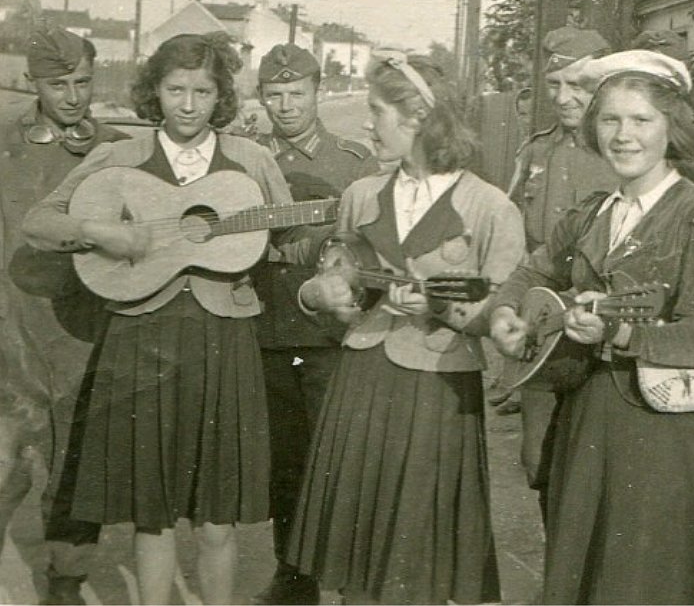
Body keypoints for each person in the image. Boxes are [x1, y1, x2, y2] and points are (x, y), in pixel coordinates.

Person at [22, 32, 296, 605]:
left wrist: (332, 243)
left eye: (203, 91)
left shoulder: (251, 158)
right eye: (176, 90)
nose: (189, 105)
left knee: (219, 519)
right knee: (155, 514)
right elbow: (39, 223)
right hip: (142, 338)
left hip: (225, 339)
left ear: (221, 94)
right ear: (156, 91)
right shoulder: (119, 157)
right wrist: (102, 232)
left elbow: (292, 235)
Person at [491, 49, 694, 605]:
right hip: (587, 417)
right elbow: (531, 270)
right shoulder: (592, 212)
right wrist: (506, 314)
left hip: (661, 432)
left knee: (644, 579)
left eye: (641, 120)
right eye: (610, 120)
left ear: (671, 128)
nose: (624, 136)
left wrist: (620, 335)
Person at [285, 51, 526, 605]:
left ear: (417, 117)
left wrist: (443, 308)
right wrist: (324, 297)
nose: (369, 123)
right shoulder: (361, 195)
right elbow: (339, 281)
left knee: (417, 562)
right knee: (353, 559)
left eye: (378, 111)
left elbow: (501, 310)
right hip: (361, 377)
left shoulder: (490, 208)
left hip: (437, 387)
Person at [0, 27, 129, 605]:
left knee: (78, 463)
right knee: (10, 461)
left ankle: (65, 581)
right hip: (13, 328)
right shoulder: (4, 143)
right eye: (59, 85)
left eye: (82, 81)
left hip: (86, 330)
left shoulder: (120, 149)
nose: (73, 95)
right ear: (33, 83)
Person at [251, 43, 377, 606]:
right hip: (268, 330)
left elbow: (375, 242)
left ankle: (347, 573)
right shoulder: (246, 159)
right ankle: (293, 573)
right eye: (274, 95)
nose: (285, 106)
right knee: (285, 460)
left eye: (296, 93)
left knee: (341, 456)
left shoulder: (353, 163)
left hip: (332, 337)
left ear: (317, 91)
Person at [505, 26, 619, 522]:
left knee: (603, 470)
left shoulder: (626, 147)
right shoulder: (536, 151)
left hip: (609, 331)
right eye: (555, 84)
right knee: (540, 463)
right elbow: (519, 239)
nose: (564, 97)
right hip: (546, 332)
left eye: (579, 84)